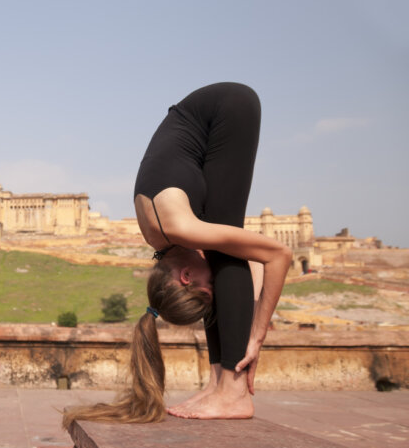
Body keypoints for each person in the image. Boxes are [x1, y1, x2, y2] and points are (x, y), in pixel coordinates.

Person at [63, 82, 291, 425]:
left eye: (207, 290)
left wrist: (256, 337)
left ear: (185, 276)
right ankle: (218, 381)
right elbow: (251, 270)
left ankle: (233, 391)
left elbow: (278, 255)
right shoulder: (161, 240)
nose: (215, 289)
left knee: (223, 254)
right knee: (222, 253)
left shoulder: (181, 228)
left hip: (227, 107)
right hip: (206, 117)